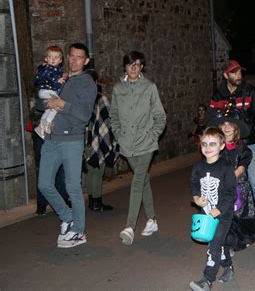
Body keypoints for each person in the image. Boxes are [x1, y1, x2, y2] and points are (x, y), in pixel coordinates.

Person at [37, 43, 97, 248]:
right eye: (71, 56)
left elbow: (83, 115)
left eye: (79, 57)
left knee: (73, 187)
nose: (74, 60)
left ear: (86, 61)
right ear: (66, 57)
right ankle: (67, 216)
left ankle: (79, 231)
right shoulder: (57, 77)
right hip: (51, 139)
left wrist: (61, 104)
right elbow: (38, 101)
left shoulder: (87, 84)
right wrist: (47, 103)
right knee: (44, 184)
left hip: (72, 141)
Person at [110, 51, 167, 246]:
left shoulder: (150, 87)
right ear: (125, 67)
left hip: (146, 142)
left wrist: (152, 135)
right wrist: (118, 134)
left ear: (142, 67)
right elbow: (114, 116)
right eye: (130, 64)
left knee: (136, 181)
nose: (133, 68)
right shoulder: (118, 89)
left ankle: (129, 227)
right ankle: (152, 220)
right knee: (142, 181)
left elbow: (160, 116)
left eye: (137, 64)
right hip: (127, 142)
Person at [210, 59, 255, 210]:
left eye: (240, 71)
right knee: (229, 179)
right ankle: (236, 211)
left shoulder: (249, 91)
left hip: (249, 142)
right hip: (227, 145)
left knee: (253, 180)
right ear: (225, 75)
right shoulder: (218, 95)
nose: (238, 75)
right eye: (234, 72)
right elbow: (213, 119)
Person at [208, 109, 255, 253]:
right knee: (223, 215)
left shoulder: (243, 149)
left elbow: (240, 169)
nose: (226, 127)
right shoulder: (215, 148)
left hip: (237, 187)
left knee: (236, 215)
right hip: (219, 185)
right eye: (223, 124)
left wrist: (227, 181)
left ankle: (231, 243)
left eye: (230, 124)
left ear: (236, 129)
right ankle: (224, 241)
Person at [189, 127, 237, 290]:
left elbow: (231, 192)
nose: (207, 148)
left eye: (212, 144)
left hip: (223, 214)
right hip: (205, 213)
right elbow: (195, 184)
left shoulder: (226, 167)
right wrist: (196, 198)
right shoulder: (198, 167)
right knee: (219, 243)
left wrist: (220, 209)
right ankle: (228, 267)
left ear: (221, 146)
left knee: (214, 246)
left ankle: (207, 279)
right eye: (204, 144)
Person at [83, 72, 119, 212]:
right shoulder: (100, 98)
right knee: (97, 171)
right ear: (96, 81)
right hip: (97, 139)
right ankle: (96, 202)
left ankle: (92, 201)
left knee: (91, 170)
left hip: (85, 140)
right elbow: (107, 121)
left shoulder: (81, 97)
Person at [33, 45, 68, 139]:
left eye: (56, 57)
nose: (53, 59)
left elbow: (58, 75)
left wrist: (63, 75)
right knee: (57, 104)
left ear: (60, 60)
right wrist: (57, 81)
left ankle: (41, 126)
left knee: (49, 109)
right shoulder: (47, 69)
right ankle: (48, 122)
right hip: (46, 91)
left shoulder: (56, 70)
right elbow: (48, 78)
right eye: (50, 57)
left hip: (47, 91)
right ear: (46, 59)